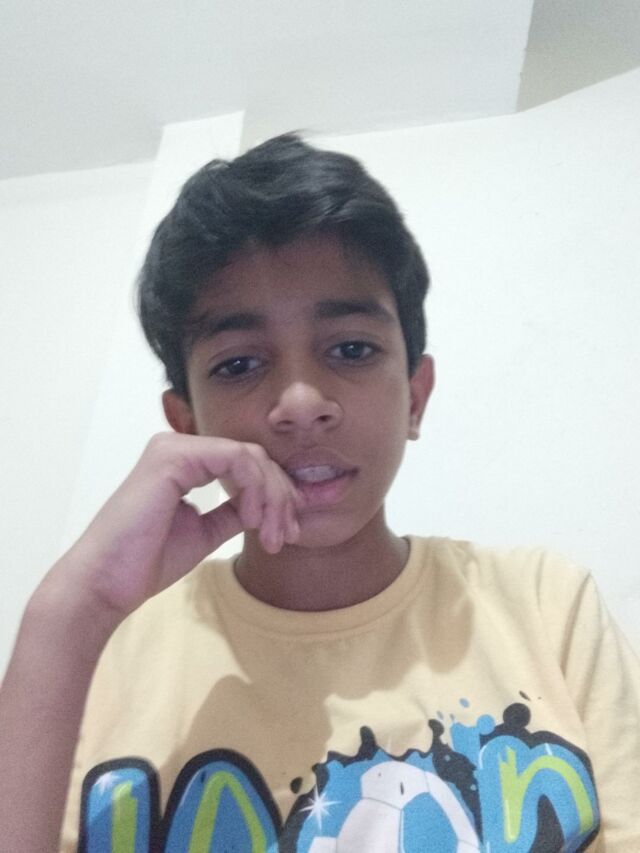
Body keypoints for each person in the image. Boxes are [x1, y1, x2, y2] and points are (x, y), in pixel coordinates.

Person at [1, 134, 638, 852]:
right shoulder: (100, 651)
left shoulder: (546, 606)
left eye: (352, 349)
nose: (301, 403)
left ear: (415, 397)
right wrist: (70, 614)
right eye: (239, 364)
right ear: (187, 425)